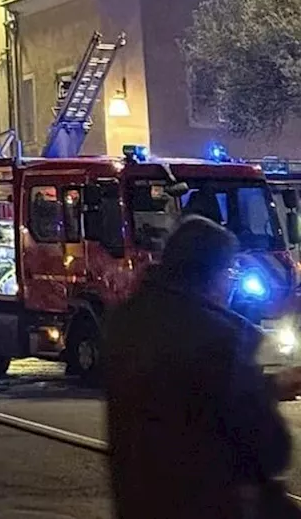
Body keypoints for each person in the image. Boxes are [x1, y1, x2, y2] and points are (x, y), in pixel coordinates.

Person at [105, 216, 301, 519]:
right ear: (212, 274)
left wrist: (269, 387)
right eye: (230, 271)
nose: (231, 282)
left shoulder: (127, 323)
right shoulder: (220, 338)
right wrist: (260, 394)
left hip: (139, 501)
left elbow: (190, 399)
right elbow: (269, 448)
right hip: (211, 505)